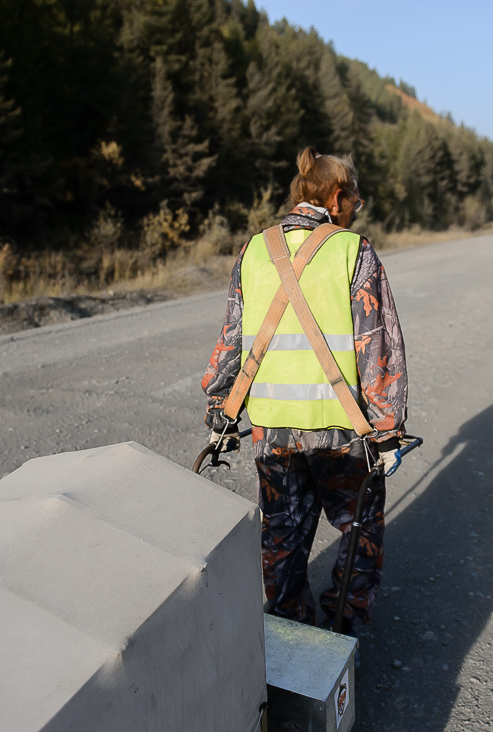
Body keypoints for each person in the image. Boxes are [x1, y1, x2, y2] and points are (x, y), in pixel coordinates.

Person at [201, 146, 408, 634]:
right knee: (359, 533)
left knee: (281, 541)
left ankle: (290, 640)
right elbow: (378, 349)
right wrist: (387, 430)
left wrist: (221, 409)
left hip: (272, 434)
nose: (357, 209)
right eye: (355, 199)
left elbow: (231, 340)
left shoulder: (253, 250)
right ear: (337, 197)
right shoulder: (354, 251)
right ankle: (342, 634)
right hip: (342, 435)